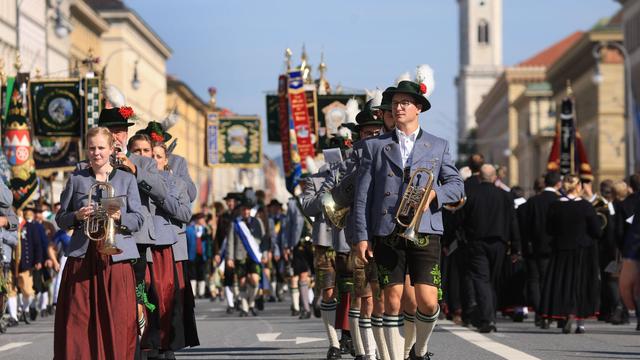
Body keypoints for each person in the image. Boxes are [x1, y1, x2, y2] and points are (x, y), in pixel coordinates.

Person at [354, 81, 464, 360]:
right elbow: (362, 196)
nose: (398, 107)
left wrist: (433, 194)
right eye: (395, 103)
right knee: (391, 300)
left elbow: (457, 185)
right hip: (386, 230)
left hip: (425, 230)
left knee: (427, 302)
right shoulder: (373, 146)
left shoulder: (438, 145)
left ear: (418, 109)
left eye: (405, 103)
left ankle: (421, 349)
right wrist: (361, 237)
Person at [54, 126, 144, 358]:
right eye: (92, 148)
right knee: (78, 320)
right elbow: (60, 219)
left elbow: (139, 218)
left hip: (116, 258)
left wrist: (120, 217)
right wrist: (76, 215)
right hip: (83, 256)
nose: (96, 153)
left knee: (117, 320)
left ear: (112, 148)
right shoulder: (76, 179)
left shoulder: (126, 178)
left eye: (101, 148)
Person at [540, 174, 602, 334]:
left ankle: (564, 313)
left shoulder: (555, 206)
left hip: (561, 249)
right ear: (578, 186)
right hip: (582, 250)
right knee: (581, 284)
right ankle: (580, 322)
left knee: (563, 283)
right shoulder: (586, 206)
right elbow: (596, 230)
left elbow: (549, 229)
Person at [462, 164, 520, 333]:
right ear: (495, 177)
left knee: (482, 280)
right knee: (491, 280)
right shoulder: (505, 196)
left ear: (479, 176)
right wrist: (516, 247)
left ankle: (488, 318)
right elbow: (513, 222)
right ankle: (489, 315)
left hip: (477, 242)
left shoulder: (470, 194)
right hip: (500, 243)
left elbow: (461, 219)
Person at [518, 172, 561, 328]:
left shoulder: (532, 202)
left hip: (534, 248)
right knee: (552, 281)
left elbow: (523, 226)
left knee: (534, 281)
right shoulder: (559, 201)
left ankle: (540, 313)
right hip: (555, 248)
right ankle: (553, 312)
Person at [226, 199, 264, 317]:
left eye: (247, 209)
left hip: (254, 256)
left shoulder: (257, 222)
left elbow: (264, 238)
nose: (246, 211)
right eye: (243, 209)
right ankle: (244, 307)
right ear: (241, 211)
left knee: (254, 279)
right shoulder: (235, 224)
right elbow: (230, 242)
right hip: (240, 256)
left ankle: (252, 303)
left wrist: (265, 253)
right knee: (242, 281)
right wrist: (230, 258)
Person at [0, 181, 19, 327]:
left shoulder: (4, 207)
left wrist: (4, 221)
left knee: (3, 292)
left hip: (2, 258)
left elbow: (14, 222)